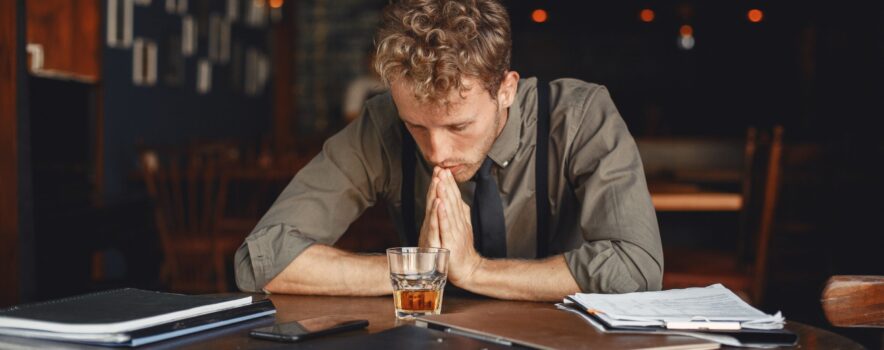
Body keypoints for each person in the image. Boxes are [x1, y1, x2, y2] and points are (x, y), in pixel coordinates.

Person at [234, 0, 663, 301]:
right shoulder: (381, 123)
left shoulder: (581, 116)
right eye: (416, 126)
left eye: (459, 125)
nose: (437, 150)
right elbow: (263, 259)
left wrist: (474, 270)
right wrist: (418, 269)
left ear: (506, 89)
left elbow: (636, 267)